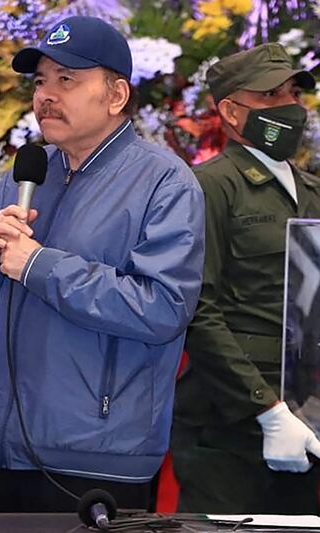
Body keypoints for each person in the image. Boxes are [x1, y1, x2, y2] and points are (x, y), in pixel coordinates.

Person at [0, 15, 205, 513]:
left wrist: (40, 265)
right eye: (40, 81)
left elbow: (161, 308)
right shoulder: (27, 176)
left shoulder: (165, 184)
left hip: (98, 459)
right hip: (5, 449)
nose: (47, 95)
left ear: (115, 96)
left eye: (67, 80)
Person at [171, 43, 320, 514]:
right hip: (227, 427)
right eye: (270, 95)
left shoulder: (313, 192)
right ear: (232, 112)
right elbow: (197, 309)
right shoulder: (209, 186)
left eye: (293, 92)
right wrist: (267, 410)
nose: (289, 107)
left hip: (305, 419)